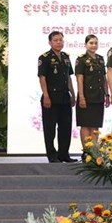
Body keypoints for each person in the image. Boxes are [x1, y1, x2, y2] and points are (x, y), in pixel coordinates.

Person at [37, 31, 77, 163]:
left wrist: (72, 93)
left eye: (61, 40)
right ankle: (52, 155)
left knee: (65, 127)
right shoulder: (45, 57)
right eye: (56, 40)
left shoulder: (65, 57)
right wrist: (46, 96)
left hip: (64, 97)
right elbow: (42, 78)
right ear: (50, 42)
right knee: (50, 128)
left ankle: (64, 154)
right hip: (51, 98)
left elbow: (68, 77)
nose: (59, 42)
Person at [75, 35, 110, 157]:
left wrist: (107, 94)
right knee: (85, 125)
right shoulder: (81, 59)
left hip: (98, 96)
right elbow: (79, 79)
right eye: (91, 43)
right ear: (86, 44)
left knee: (95, 125)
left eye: (95, 43)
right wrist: (81, 97)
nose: (93, 45)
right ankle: (86, 152)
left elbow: (104, 79)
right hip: (86, 96)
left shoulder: (100, 59)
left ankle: (94, 152)